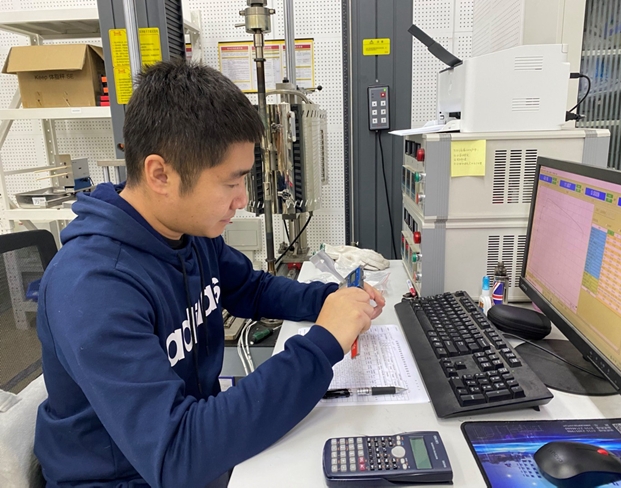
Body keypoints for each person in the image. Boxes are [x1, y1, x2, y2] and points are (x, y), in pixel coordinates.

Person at [35, 60, 385, 488]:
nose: (241, 200)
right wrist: (323, 343)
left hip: (190, 450)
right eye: (230, 183)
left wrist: (329, 301)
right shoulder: (92, 288)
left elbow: (250, 288)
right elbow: (177, 454)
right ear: (160, 174)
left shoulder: (187, 231)